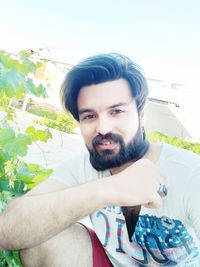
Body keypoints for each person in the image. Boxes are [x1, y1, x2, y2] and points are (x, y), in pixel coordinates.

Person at [0, 53, 200, 267]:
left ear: (141, 115)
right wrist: (110, 189)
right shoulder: (83, 166)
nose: (103, 128)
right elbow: (8, 230)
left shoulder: (190, 173)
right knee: (44, 236)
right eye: (89, 116)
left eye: (117, 111)